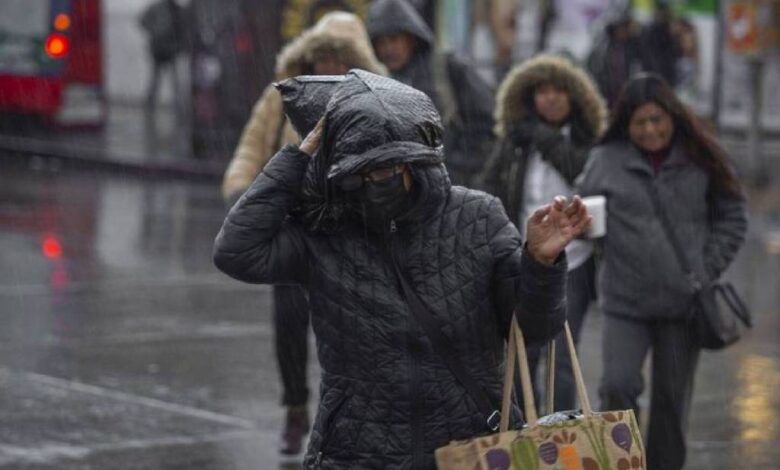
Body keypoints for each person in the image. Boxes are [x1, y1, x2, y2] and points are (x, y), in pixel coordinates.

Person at [213, 70, 591, 468]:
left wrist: (540, 263)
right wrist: (298, 156)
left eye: (385, 169)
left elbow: (536, 328)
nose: (374, 182)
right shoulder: (326, 231)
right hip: (355, 450)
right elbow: (236, 250)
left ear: (414, 159)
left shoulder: (478, 217)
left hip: (467, 448)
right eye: (360, 173)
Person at [220, 12, 386, 456]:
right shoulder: (282, 95)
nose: (328, 66)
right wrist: (242, 192)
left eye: (338, 57)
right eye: (321, 56)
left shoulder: (373, 100)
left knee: (355, 326)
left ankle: (352, 415)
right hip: (294, 223)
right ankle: (295, 406)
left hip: (350, 229)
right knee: (289, 321)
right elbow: (252, 145)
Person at [577, 74, 748, 470]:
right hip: (624, 302)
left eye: (657, 119)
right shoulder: (606, 160)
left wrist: (706, 268)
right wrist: (585, 224)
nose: (650, 130)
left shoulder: (701, 158)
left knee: (672, 406)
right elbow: (581, 210)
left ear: (673, 116)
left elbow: (733, 216)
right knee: (616, 388)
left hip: (682, 305)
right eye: (640, 122)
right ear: (626, 124)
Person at [478, 54, 607, 413]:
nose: (550, 98)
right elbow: (490, 188)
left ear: (574, 97)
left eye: (559, 91)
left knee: (564, 358)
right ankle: (526, 433)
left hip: (574, 261)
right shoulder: (516, 141)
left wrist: (546, 139)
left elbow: (583, 174)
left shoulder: (587, 142)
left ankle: (563, 433)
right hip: (523, 258)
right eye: (542, 91)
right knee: (522, 354)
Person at [367, 0, 496, 187]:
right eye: (381, 42)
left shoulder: (447, 69)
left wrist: (457, 165)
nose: (388, 49)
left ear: (410, 38)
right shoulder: (373, 80)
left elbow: (488, 123)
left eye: (394, 39)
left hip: (453, 189)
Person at [587, 12, 644, 109]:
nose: (622, 32)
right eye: (620, 29)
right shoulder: (603, 48)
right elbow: (596, 70)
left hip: (625, 93)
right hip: (608, 94)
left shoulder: (630, 47)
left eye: (624, 29)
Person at [139, 0, 186, 111]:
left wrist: (180, 45)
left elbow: (183, 29)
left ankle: (177, 106)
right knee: (156, 79)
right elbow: (142, 21)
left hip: (171, 49)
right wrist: (155, 31)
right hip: (158, 49)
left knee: (174, 80)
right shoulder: (156, 8)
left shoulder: (178, 10)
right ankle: (150, 105)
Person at [639, 3, 683, 88]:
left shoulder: (670, 30)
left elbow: (677, 53)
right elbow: (648, 55)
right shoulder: (650, 31)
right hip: (655, 77)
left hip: (667, 76)